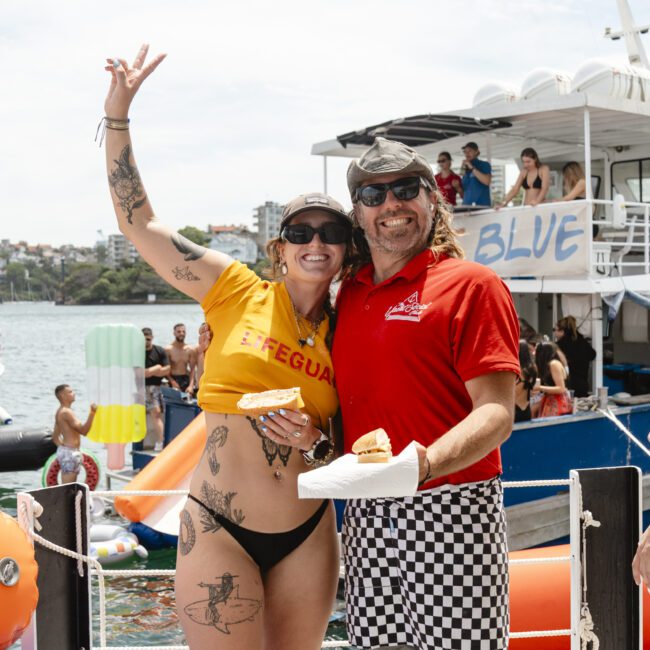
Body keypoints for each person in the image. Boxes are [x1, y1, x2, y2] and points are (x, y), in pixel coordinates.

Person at [101, 45, 353, 649]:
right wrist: (118, 116)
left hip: (308, 531)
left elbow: (359, 439)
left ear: (348, 248)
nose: (315, 243)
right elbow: (141, 226)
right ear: (280, 248)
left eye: (332, 233)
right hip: (218, 526)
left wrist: (316, 439)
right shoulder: (234, 289)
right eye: (299, 233)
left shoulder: (354, 326)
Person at [272, 137, 520, 649]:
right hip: (365, 512)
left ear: (432, 199)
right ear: (359, 217)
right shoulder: (350, 293)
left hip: (452, 508)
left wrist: (421, 466)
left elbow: (496, 413)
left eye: (406, 188)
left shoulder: (473, 284)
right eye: (373, 195)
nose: (391, 204)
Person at [52, 384, 97, 484]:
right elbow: (84, 431)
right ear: (63, 396)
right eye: (70, 392)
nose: (73, 393)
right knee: (68, 488)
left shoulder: (60, 411)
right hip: (70, 454)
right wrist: (92, 413)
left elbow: (55, 437)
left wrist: (64, 449)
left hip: (68, 452)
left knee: (69, 487)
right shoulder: (66, 412)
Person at [142, 327, 170, 452]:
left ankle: (161, 441)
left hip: (156, 388)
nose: (146, 342)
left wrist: (151, 372)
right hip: (141, 388)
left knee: (157, 413)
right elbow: (140, 373)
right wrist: (157, 368)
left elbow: (167, 370)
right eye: (143, 339)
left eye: (148, 339)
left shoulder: (159, 351)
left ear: (152, 338)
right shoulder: (137, 352)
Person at [554, 315, 596, 397]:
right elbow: (593, 355)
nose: (555, 333)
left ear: (562, 331)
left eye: (555, 330)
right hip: (582, 387)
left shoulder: (559, 346)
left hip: (567, 388)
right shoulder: (582, 342)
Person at [534, 342, 573, 417]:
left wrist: (539, 387)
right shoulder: (550, 364)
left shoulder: (554, 364)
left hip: (558, 402)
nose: (534, 354)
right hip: (551, 400)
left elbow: (561, 388)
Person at [166, 323, 197, 394]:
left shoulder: (190, 350)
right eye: (179, 331)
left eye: (183, 331)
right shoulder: (168, 349)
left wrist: (191, 385)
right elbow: (166, 369)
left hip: (185, 379)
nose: (181, 333)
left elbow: (192, 370)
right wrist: (172, 382)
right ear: (174, 333)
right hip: (173, 379)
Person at [460, 141, 492, 207]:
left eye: (470, 151)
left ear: (477, 152)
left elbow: (487, 181)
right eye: (465, 152)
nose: (467, 153)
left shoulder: (484, 164)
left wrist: (472, 168)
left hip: (481, 206)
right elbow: (464, 189)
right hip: (466, 206)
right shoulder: (465, 168)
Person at [515, 340, 537, 422]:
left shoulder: (516, 371)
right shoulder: (532, 370)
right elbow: (531, 390)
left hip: (514, 409)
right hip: (526, 409)